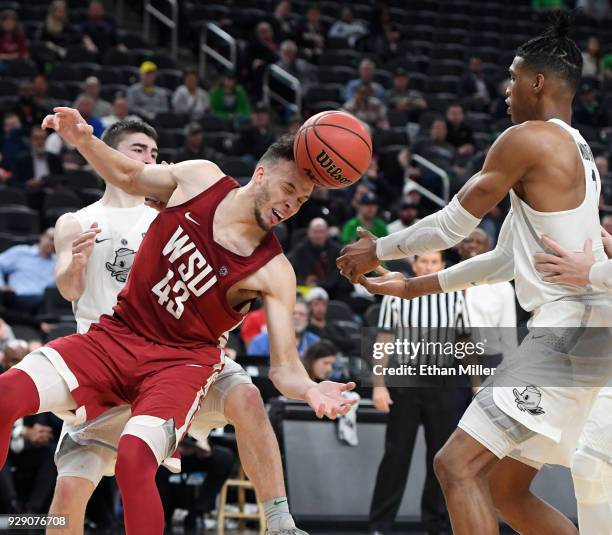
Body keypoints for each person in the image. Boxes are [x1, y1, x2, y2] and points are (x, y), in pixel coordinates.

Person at [0, 106, 354, 534]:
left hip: (179, 364)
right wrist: (83, 139)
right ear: (260, 174)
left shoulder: (274, 270)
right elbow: (129, 178)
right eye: (288, 190)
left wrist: (312, 389)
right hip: (112, 335)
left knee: (139, 458)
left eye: (301, 200)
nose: (292, 205)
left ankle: (279, 520)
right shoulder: (197, 180)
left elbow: (283, 367)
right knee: (10, 404)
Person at [338, 13, 612, 535]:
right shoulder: (576, 148)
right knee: (504, 490)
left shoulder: (526, 139)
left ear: (538, 82)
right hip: (591, 332)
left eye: (512, 78)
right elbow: (507, 258)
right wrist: (415, 284)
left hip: (567, 333)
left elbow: (450, 223)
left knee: (454, 465)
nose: (505, 90)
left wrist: (380, 249)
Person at [369, 251, 470, 535]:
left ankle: (436, 525)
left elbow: (464, 340)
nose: (428, 266)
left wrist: (476, 383)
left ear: (442, 266)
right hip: (405, 380)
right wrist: (378, 384)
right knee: (396, 455)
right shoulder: (396, 293)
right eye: (423, 261)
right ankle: (380, 525)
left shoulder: (454, 296)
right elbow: (385, 338)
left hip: (443, 382)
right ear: (414, 264)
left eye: (434, 262)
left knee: (441, 458)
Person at [0, 228, 56, 315]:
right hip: (19, 300)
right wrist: (1, 285)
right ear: (42, 237)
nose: (53, 244)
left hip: (46, 304)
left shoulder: (58, 261)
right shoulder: (21, 252)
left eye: (57, 241)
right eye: (52, 239)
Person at [248, 298, 320, 357]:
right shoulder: (262, 341)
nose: (297, 317)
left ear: (308, 319)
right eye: (293, 313)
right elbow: (253, 368)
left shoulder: (315, 342)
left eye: (302, 314)